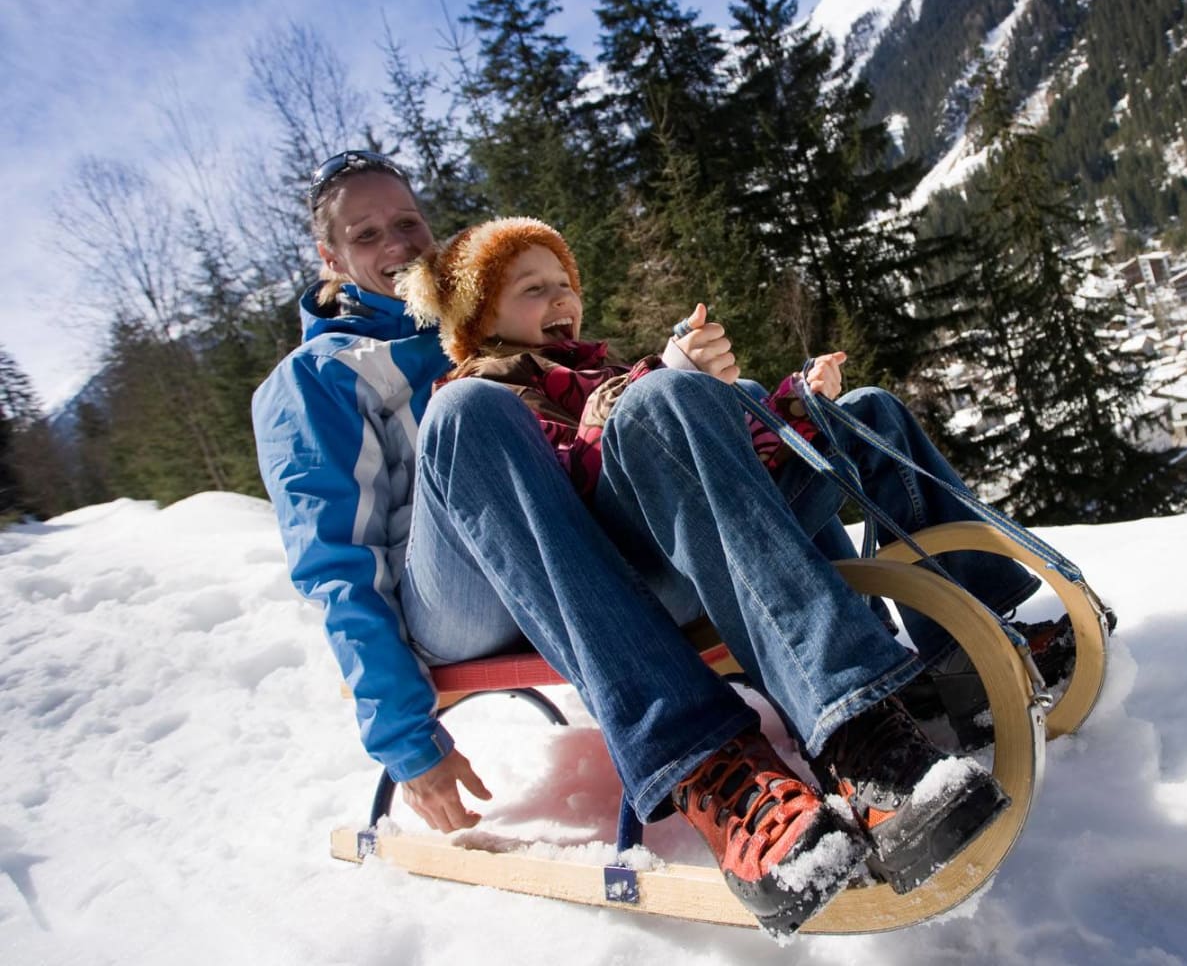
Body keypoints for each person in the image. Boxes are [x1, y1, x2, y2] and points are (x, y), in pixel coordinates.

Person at [250, 155, 1009, 936]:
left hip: (582, 562)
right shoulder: (319, 378)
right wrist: (406, 740)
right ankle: (709, 767)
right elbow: (338, 570)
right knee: (468, 411)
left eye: (407, 222)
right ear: (330, 258)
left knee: (694, 402)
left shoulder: (493, 312)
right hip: (452, 601)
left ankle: (861, 728)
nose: (396, 244)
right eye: (365, 234)